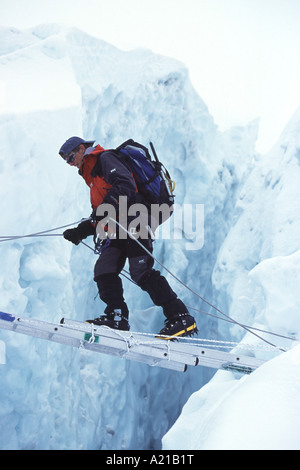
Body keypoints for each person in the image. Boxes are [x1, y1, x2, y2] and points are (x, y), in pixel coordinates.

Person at [59, 136, 198, 338]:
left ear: (81, 149)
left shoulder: (105, 159)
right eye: (67, 161)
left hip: (138, 217)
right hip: (119, 226)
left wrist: (103, 210)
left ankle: (181, 317)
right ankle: (117, 317)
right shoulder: (93, 176)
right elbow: (102, 214)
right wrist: (81, 231)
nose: (71, 164)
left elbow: (125, 187)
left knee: (140, 271)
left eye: (71, 158)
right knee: (104, 269)